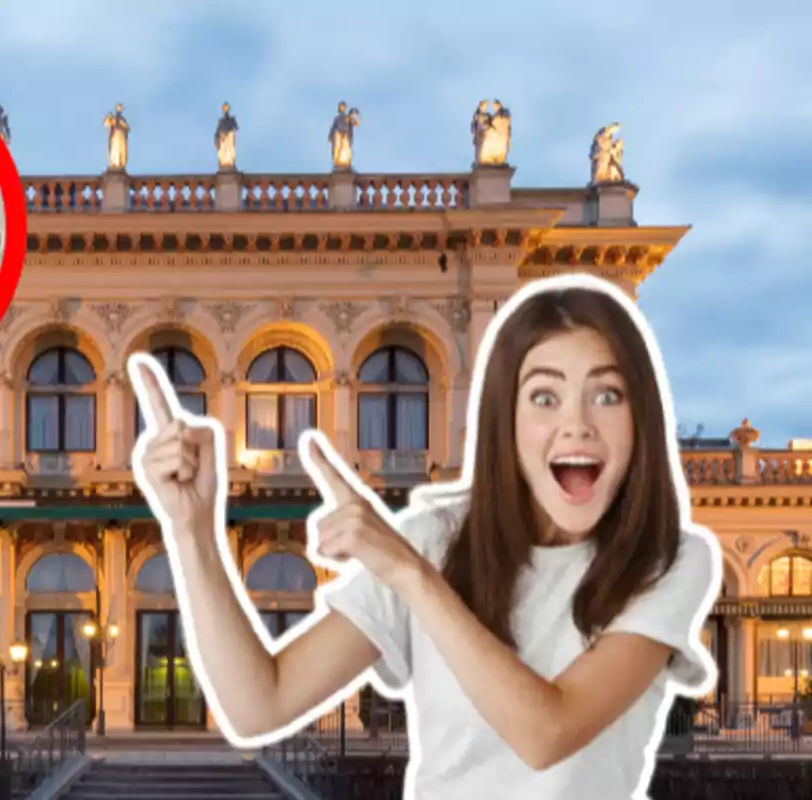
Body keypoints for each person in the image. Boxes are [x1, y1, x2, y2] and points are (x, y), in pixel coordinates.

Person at [127, 274, 721, 800]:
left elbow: (547, 734)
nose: (578, 423)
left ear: (641, 415)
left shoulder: (668, 561)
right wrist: (193, 530)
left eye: (607, 394)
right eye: (544, 395)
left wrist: (413, 577)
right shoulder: (436, 537)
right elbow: (259, 704)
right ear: (504, 420)